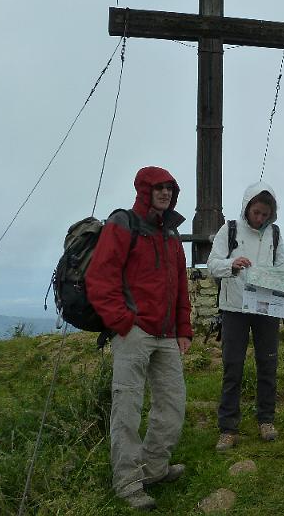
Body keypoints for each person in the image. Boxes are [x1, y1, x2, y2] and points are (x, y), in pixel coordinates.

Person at [86, 166, 193, 511]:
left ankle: (155, 468)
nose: (165, 193)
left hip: (165, 335)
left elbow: (179, 287)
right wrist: (122, 323)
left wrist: (184, 330)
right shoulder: (123, 224)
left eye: (169, 188)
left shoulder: (172, 234)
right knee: (127, 410)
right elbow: (100, 278)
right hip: (133, 332)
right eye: (158, 187)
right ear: (144, 190)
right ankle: (128, 482)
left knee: (173, 406)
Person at [207, 182, 284, 451]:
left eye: (265, 214)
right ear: (247, 208)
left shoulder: (274, 234)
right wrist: (231, 264)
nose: (260, 218)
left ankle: (266, 420)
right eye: (256, 212)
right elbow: (212, 264)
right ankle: (228, 428)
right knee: (233, 366)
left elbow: (281, 266)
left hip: (266, 307)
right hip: (234, 308)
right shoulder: (229, 229)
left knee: (268, 364)